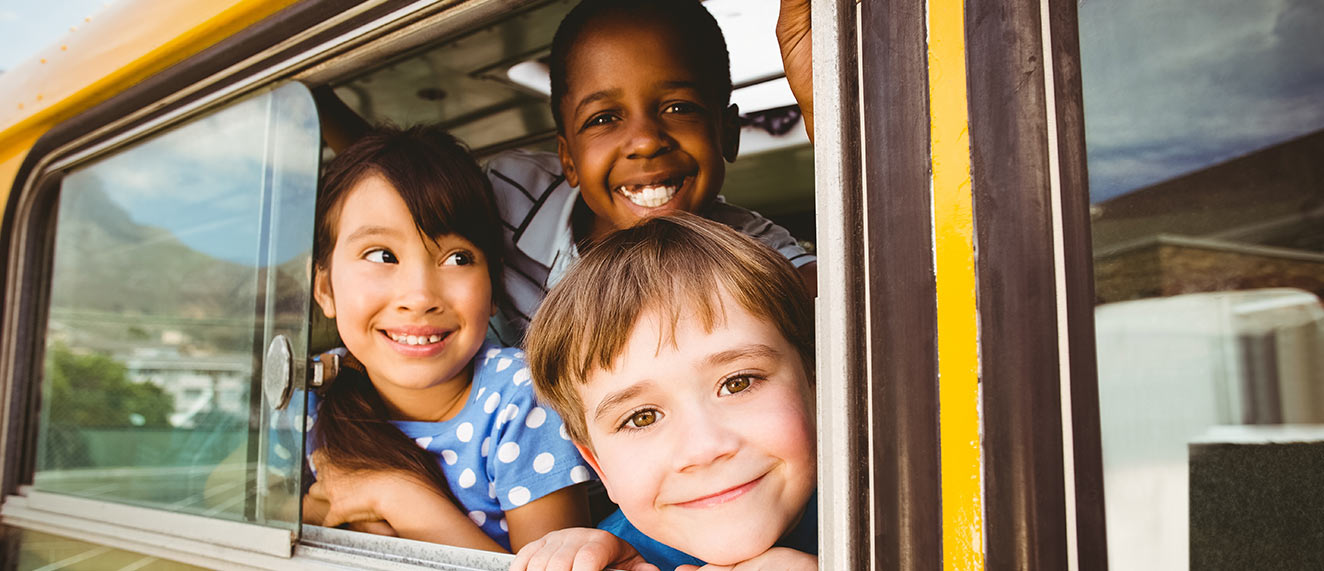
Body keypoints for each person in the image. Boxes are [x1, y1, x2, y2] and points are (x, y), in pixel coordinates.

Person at [301, 124, 593, 552]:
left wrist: (399, 498)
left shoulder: (522, 397)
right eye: (383, 255)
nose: (419, 297)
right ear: (324, 288)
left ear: (493, 285)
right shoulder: (310, 391)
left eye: (457, 258)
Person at [484, 0, 817, 344]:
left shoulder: (750, 247)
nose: (645, 142)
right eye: (604, 118)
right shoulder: (508, 197)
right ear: (568, 160)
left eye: (679, 108)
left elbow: (849, 302)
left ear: (728, 134)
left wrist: (823, 115)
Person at [511, 213, 817, 571]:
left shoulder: (891, 507)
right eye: (642, 418)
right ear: (599, 468)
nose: (703, 450)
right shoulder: (611, 562)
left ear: (818, 388)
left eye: (738, 383)